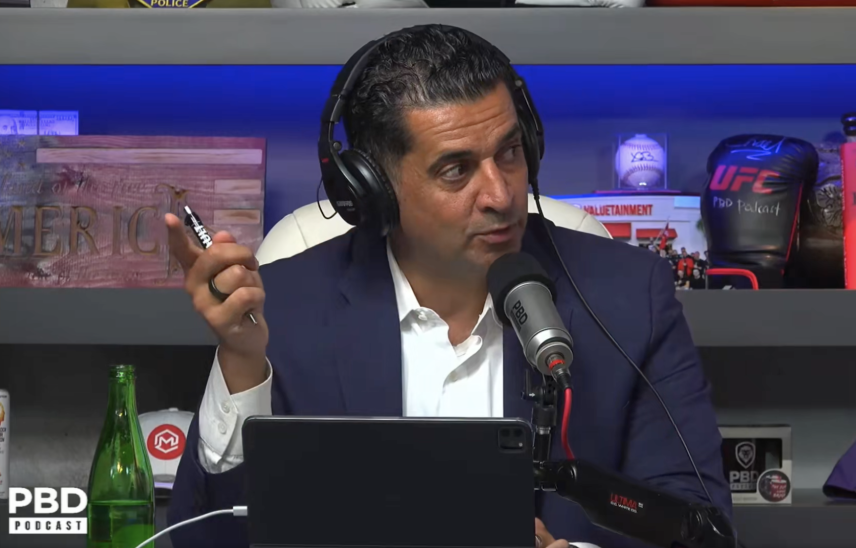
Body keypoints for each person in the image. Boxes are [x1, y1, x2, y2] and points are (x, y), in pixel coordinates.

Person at [165, 24, 731, 548]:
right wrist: (241, 363)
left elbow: (700, 527)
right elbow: (206, 537)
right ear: (372, 191)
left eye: (510, 152)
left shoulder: (630, 296)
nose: (501, 194)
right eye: (456, 170)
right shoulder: (283, 307)